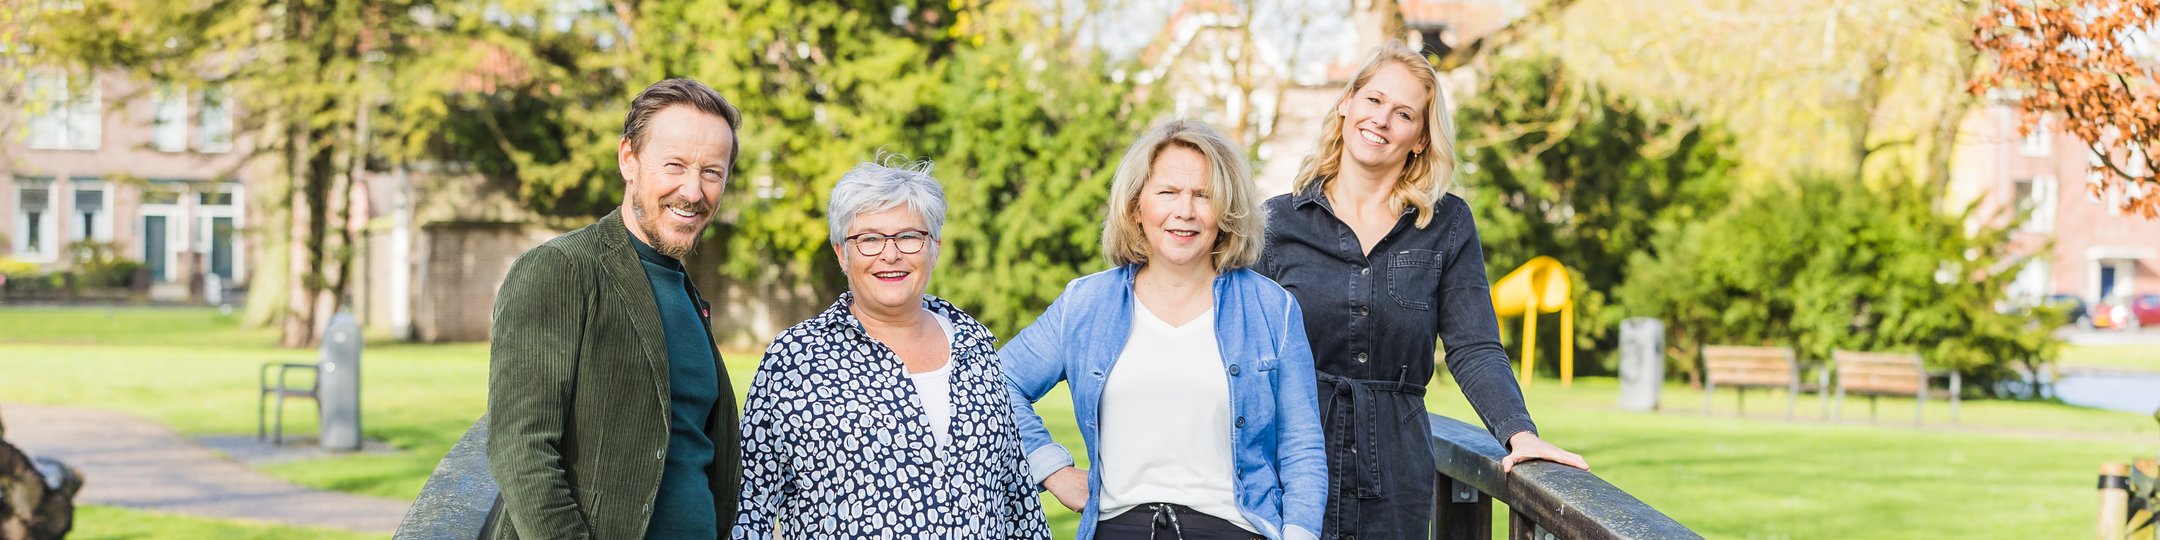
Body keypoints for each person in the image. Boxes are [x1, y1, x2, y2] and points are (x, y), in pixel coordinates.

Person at [1255, 44, 1590, 539]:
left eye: (1404, 113)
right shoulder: (1277, 222)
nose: (1382, 121)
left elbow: (1474, 347)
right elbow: (1237, 349)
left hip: (1396, 471)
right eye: (1373, 100)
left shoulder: (1448, 224)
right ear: (1347, 103)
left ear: (1419, 138)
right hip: (1294, 463)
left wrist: (1520, 434)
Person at [1003, 120, 1327, 540]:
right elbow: (996, 382)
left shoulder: (1271, 308)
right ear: (1137, 206)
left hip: (1233, 529)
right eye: (1168, 192)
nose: (1185, 211)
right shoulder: (1086, 303)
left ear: (1227, 213)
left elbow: (1302, 448)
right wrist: (1052, 469)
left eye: (1203, 195)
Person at [733, 157, 1051, 538]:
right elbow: (749, 503)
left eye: (909, 236)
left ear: (934, 246)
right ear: (841, 253)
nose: (890, 254)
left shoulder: (976, 348)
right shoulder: (796, 360)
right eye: (869, 239)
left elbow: (1017, 500)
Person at [487, 78, 743, 539]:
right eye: (675, 165)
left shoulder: (685, 292)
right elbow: (521, 451)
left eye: (712, 172)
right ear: (629, 159)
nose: (692, 190)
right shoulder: (562, 270)